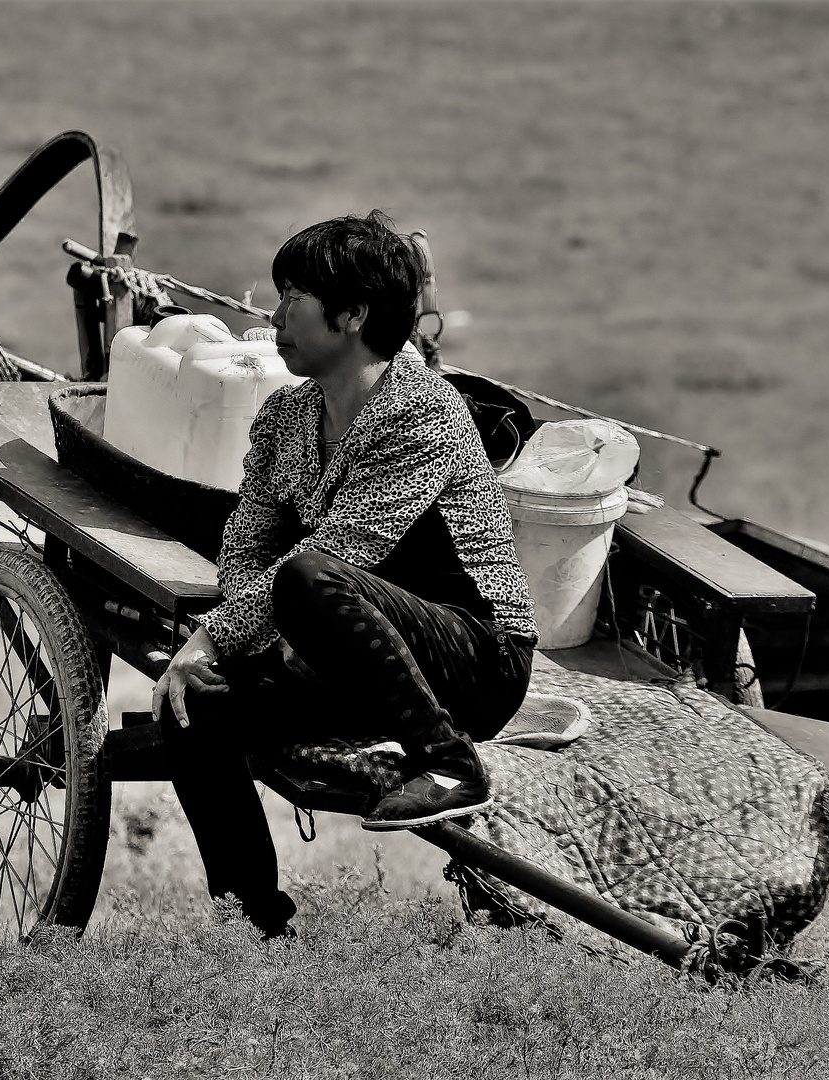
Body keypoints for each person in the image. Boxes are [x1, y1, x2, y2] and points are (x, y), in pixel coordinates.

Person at [150, 211, 537, 938]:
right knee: (191, 699)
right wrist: (232, 646)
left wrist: (212, 636)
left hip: (475, 659)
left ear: (353, 314)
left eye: (292, 298)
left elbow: (340, 554)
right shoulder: (283, 418)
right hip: (351, 659)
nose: (273, 316)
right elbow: (244, 543)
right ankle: (254, 926)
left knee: (305, 577)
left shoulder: (421, 412)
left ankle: (450, 765)